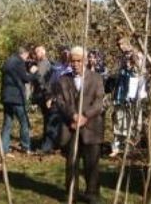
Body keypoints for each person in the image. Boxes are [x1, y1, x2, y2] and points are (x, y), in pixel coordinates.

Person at [54, 47, 105, 204]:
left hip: (91, 128)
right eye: (73, 61)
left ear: (85, 60)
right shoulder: (63, 80)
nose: (75, 64)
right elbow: (61, 102)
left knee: (92, 164)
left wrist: (85, 117)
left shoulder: (96, 78)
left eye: (79, 61)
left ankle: (92, 194)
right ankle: (71, 194)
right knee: (72, 163)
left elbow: (98, 102)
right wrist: (73, 115)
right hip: (71, 128)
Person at [110, 37, 146, 157]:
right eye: (118, 45)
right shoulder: (121, 58)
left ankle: (131, 147)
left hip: (134, 92)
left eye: (122, 44)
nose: (120, 47)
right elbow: (116, 72)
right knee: (119, 118)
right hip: (121, 92)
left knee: (133, 121)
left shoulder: (138, 55)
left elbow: (141, 72)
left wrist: (134, 63)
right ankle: (117, 146)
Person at [0, 47, 37, 154]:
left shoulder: (8, 61)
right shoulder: (19, 62)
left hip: (6, 97)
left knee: (7, 123)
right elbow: (25, 78)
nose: (27, 58)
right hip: (16, 97)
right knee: (24, 122)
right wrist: (34, 73)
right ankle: (26, 147)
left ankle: (4, 148)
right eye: (27, 56)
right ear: (24, 53)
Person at [30, 45, 58, 154]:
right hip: (43, 96)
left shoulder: (45, 64)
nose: (35, 54)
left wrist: (34, 72)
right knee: (47, 119)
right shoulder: (41, 63)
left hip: (46, 96)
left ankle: (48, 145)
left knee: (49, 121)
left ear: (43, 52)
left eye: (37, 52)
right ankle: (46, 143)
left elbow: (41, 80)